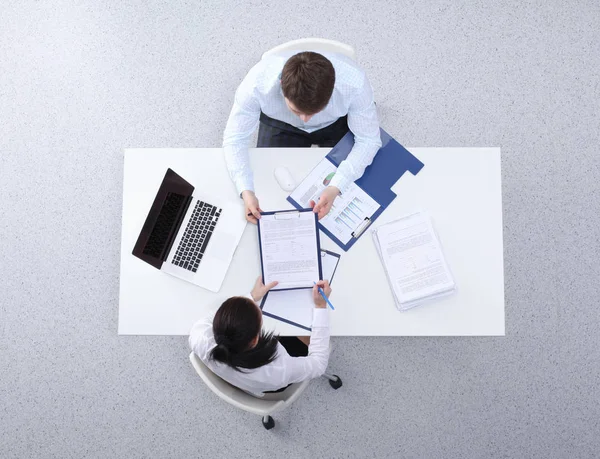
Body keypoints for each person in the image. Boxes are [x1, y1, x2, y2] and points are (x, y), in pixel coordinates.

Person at [223, 50, 382, 224]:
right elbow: (235, 138)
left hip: (335, 122)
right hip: (281, 123)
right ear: (282, 85)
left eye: (315, 111)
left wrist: (337, 186)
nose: (306, 120)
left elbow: (368, 140)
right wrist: (246, 191)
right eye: (297, 111)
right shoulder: (255, 85)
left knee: (362, 181)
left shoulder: (355, 83)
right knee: (269, 184)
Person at [189, 276, 332, 396]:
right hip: (269, 383)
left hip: (243, 380)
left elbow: (211, 317)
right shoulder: (278, 369)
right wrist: (320, 307)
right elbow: (319, 364)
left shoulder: (199, 337)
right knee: (300, 336)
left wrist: (252, 297)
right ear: (255, 339)